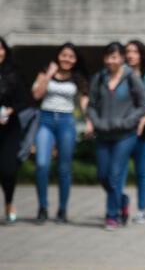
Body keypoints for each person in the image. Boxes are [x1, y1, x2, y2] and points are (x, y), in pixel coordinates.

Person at [87, 42, 145, 230]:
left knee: (114, 175)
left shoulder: (131, 78)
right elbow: (91, 104)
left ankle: (112, 216)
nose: (110, 61)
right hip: (103, 134)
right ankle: (122, 200)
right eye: (107, 57)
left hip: (125, 135)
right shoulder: (99, 78)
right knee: (103, 176)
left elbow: (144, 105)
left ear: (122, 58)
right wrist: (96, 122)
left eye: (114, 57)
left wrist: (127, 122)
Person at [31, 42, 89, 224]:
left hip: (66, 121)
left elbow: (85, 101)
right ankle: (42, 207)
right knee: (42, 164)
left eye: (71, 56)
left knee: (64, 167)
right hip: (46, 120)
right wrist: (48, 74)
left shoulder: (77, 77)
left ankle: (62, 209)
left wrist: (89, 122)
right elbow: (36, 95)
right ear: (58, 56)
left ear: (75, 60)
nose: (67, 59)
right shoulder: (45, 71)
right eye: (64, 55)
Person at [122, 40, 145, 224]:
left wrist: (142, 122)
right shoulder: (118, 75)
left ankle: (142, 210)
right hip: (122, 128)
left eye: (134, 52)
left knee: (141, 171)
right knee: (119, 169)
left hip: (144, 129)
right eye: (128, 51)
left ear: (141, 55)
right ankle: (119, 205)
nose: (130, 55)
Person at [0, 37, 31, 223]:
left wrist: (9, 110)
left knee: (8, 170)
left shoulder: (13, 74)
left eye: (0, 49)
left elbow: (24, 100)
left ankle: (9, 202)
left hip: (9, 127)